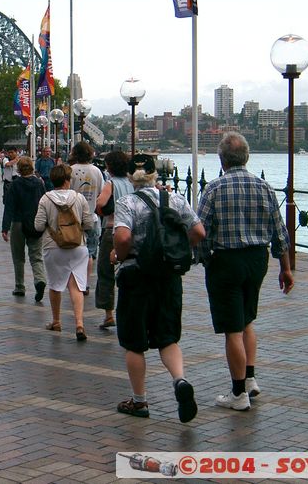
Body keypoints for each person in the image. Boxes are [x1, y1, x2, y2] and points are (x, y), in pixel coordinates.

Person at [197, 131, 294, 411]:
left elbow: (201, 230)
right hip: (256, 260)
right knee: (247, 319)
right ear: (247, 157)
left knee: (232, 329)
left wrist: (205, 259)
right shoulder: (264, 187)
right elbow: (280, 234)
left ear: (221, 159)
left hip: (226, 260)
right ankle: (250, 379)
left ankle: (238, 394)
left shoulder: (214, 188)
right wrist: (285, 269)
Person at [112, 154, 205, 423]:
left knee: (134, 342)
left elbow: (123, 236)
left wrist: (118, 256)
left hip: (136, 277)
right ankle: (180, 380)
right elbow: (199, 232)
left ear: (130, 177)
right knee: (168, 338)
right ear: (155, 175)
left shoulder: (127, 202)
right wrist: (178, 248)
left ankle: (139, 401)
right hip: (168, 277)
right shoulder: (175, 199)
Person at [35, 164, 94, 341]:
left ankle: (56, 321)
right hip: (78, 247)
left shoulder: (45, 199)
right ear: (68, 180)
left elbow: (38, 226)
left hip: (53, 247)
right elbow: (89, 224)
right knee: (75, 286)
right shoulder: (79, 198)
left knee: (55, 285)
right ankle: (79, 324)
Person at [94, 150, 133, 329]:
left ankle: (108, 313)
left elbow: (100, 203)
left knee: (105, 270)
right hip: (132, 230)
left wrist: (103, 214)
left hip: (113, 229)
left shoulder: (111, 183)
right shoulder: (133, 182)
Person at [1, 156, 47, 299]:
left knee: (18, 256)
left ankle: (20, 286)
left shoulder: (15, 184)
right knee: (36, 256)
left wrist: (5, 228)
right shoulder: (39, 184)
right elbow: (44, 202)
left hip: (18, 223)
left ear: (19, 169)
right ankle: (40, 279)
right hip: (35, 223)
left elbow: (9, 207)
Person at [68, 141, 104, 293]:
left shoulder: (70, 170)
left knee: (74, 251)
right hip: (92, 216)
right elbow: (101, 193)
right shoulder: (96, 171)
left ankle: (75, 280)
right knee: (89, 252)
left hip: (73, 217)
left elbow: (66, 191)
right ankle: (85, 283)